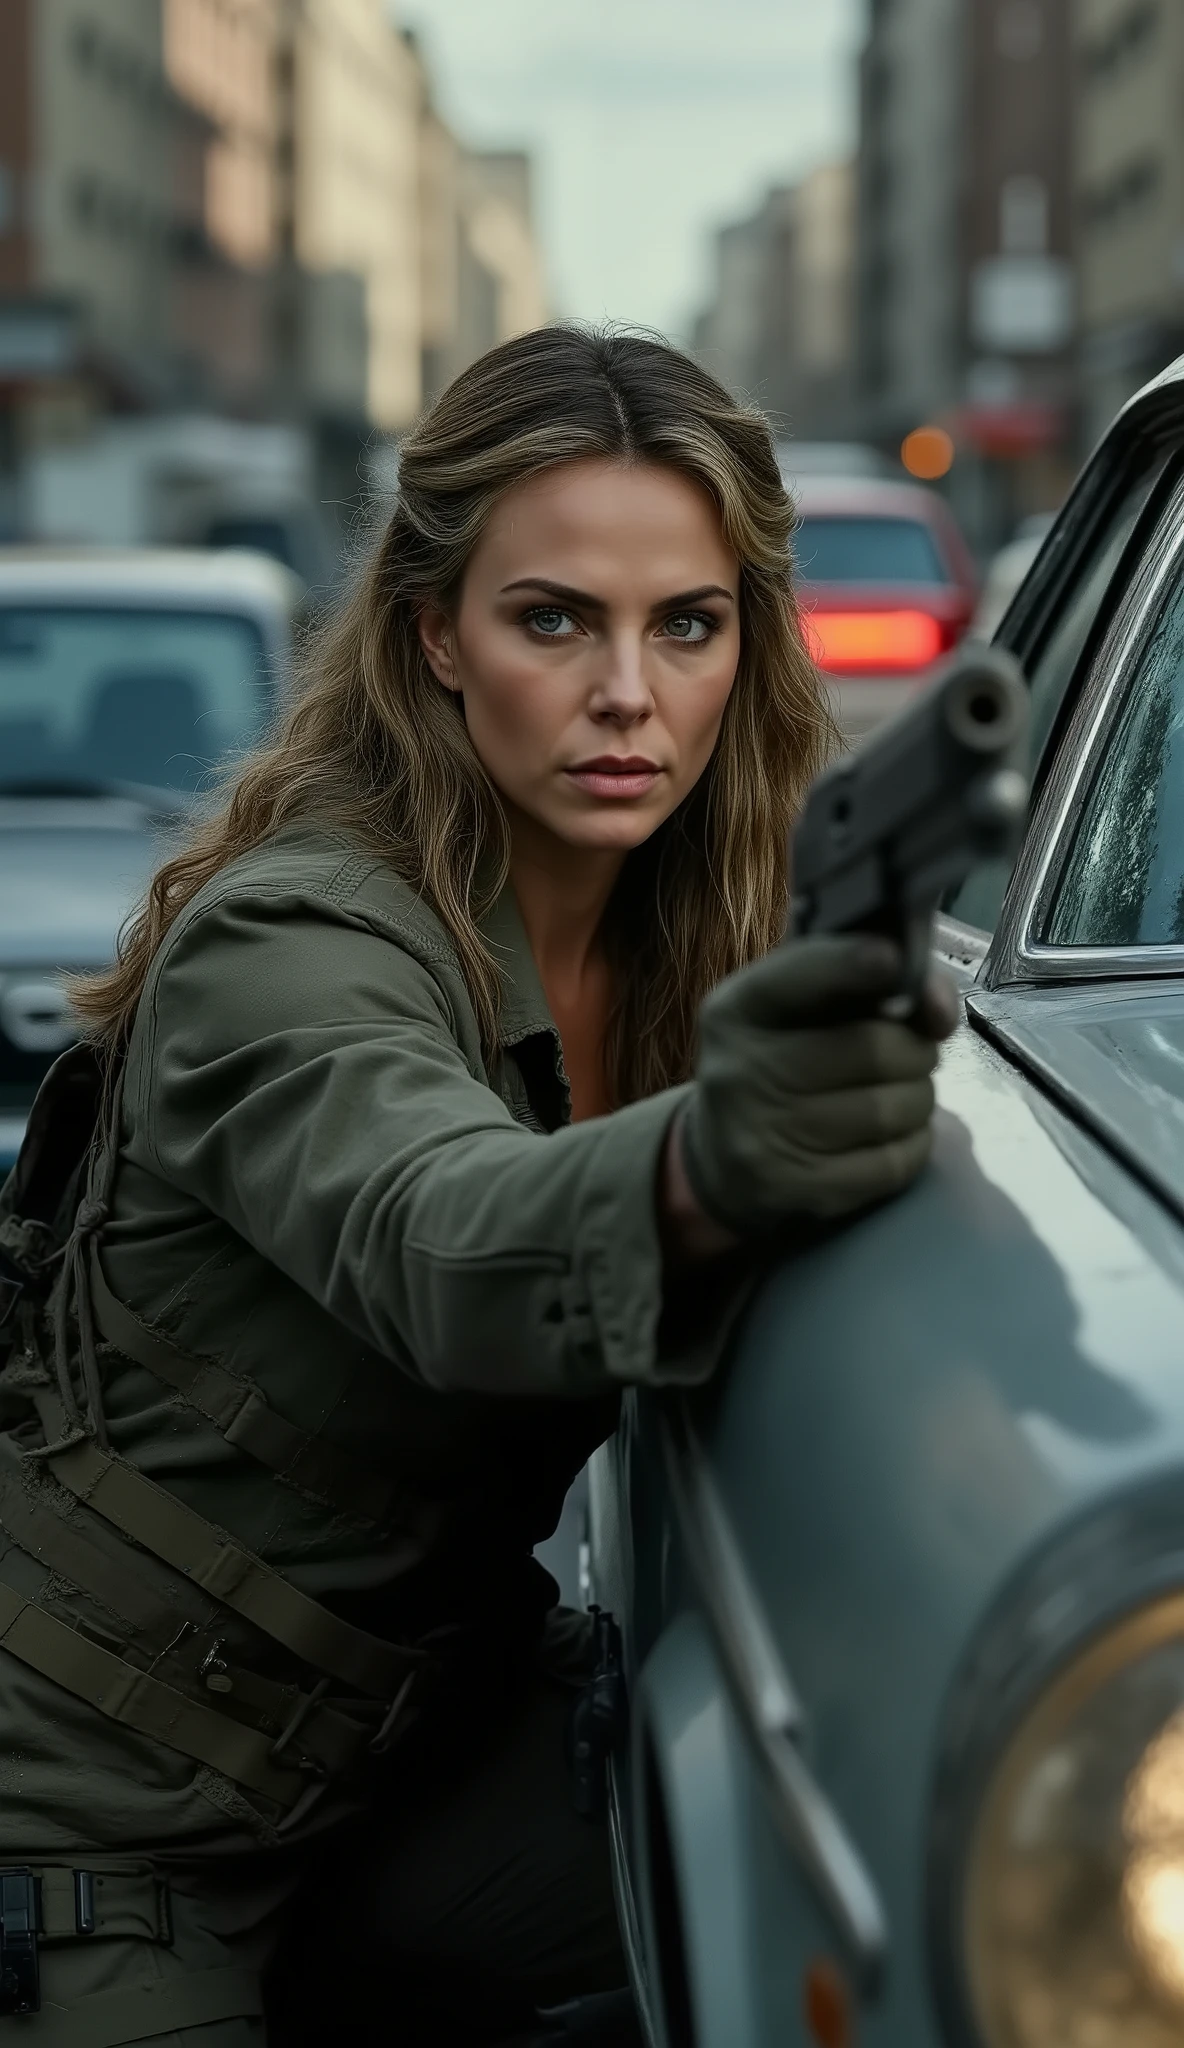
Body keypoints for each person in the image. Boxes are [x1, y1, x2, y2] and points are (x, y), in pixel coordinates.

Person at [0, 325, 954, 2046]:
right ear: (435, 632)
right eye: (554, 620)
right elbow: (443, 1240)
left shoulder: (713, 940)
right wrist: (719, 1153)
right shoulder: (295, 934)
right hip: (96, 1806)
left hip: (422, 1755)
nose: (628, 693)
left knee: (944, 1889)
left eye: (687, 624)